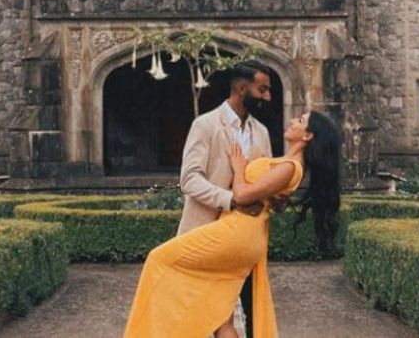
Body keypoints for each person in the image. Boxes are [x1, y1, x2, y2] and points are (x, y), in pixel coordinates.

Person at [122, 109, 342, 338]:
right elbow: (275, 202)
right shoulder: (286, 164)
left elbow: (242, 196)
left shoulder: (290, 167)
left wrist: (238, 168)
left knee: (159, 259)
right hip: (241, 233)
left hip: (237, 233)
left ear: (307, 136)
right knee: (220, 315)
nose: (292, 122)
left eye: (300, 121)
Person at [177, 62, 276, 336]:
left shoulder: (262, 133)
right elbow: (189, 179)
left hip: (246, 240)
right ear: (241, 88)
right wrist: (233, 199)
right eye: (263, 89)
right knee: (213, 318)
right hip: (208, 235)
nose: (268, 97)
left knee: (254, 315)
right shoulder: (205, 125)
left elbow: (265, 185)